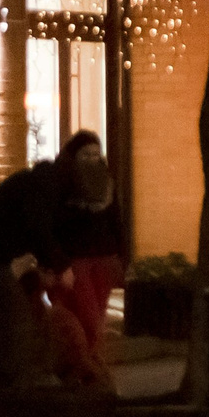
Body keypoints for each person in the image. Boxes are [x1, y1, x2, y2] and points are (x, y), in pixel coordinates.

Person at [0, 143, 81, 390]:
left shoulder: (41, 184)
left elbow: (35, 231)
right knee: (14, 317)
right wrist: (61, 266)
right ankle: (19, 389)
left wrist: (48, 266)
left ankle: (12, 390)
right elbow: (38, 229)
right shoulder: (43, 187)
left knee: (11, 320)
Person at [49, 131, 123, 391]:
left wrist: (122, 256)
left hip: (103, 258)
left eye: (96, 153)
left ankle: (83, 373)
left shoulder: (107, 183)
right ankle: (90, 371)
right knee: (88, 318)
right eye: (86, 154)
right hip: (78, 260)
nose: (92, 159)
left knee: (97, 317)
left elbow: (116, 220)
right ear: (74, 156)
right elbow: (56, 224)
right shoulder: (64, 186)